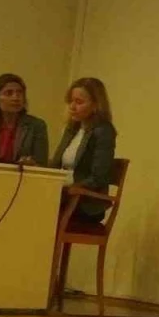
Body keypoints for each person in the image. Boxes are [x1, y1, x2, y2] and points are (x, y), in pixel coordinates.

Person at [49, 77, 118, 225]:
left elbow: (99, 177)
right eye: (71, 101)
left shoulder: (104, 131)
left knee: (35, 211)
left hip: (85, 203)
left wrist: (69, 189)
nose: (72, 107)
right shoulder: (72, 129)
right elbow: (56, 165)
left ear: (96, 105)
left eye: (79, 102)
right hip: (63, 196)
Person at [0, 73, 49, 165]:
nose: (15, 98)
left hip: (23, 173)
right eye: (9, 93)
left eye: (19, 93)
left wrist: (32, 163)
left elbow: (42, 163)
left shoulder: (37, 126)